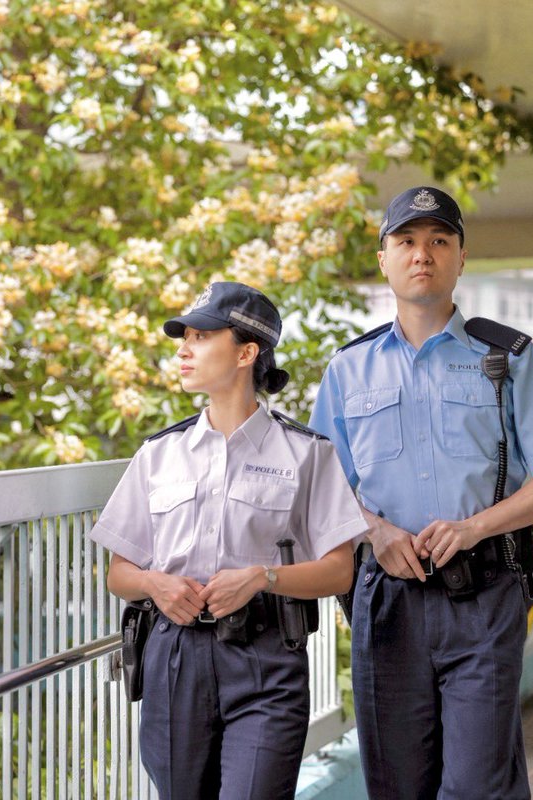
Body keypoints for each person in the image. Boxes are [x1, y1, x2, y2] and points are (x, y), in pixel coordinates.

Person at [309, 186, 533, 800]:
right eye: (405, 241)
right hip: (386, 598)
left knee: (478, 784)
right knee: (398, 783)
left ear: (461, 258)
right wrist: (376, 532)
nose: (422, 254)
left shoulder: (506, 356)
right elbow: (321, 490)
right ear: (383, 259)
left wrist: (474, 527)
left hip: (484, 589)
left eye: (440, 241)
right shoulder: (347, 369)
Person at [90, 281, 367, 800]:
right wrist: (156, 584)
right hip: (175, 657)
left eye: (201, 336)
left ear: (247, 352)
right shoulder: (158, 455)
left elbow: (339, 571)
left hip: (266, 657)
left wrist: (262, 578)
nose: (183, 349)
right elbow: (119, 573)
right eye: (184, 337)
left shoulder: (307, 454)